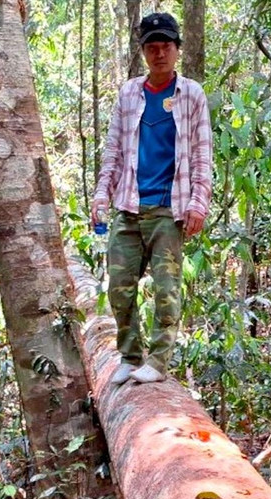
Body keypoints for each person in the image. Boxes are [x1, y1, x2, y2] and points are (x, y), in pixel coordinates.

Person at [91, 12, 212, 385]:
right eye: (152, 47)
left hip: (168, 208)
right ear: (143, 52)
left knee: (166, 290)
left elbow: (203, 151)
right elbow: (113, 149)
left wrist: (199, 202)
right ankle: (129, 356)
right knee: (119, 287)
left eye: (166, 47)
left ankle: (158, 363)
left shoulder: (190, 94)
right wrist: (101, 195)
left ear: (177, 50)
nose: (159, 54)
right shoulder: (130, 93)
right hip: (129, 205)